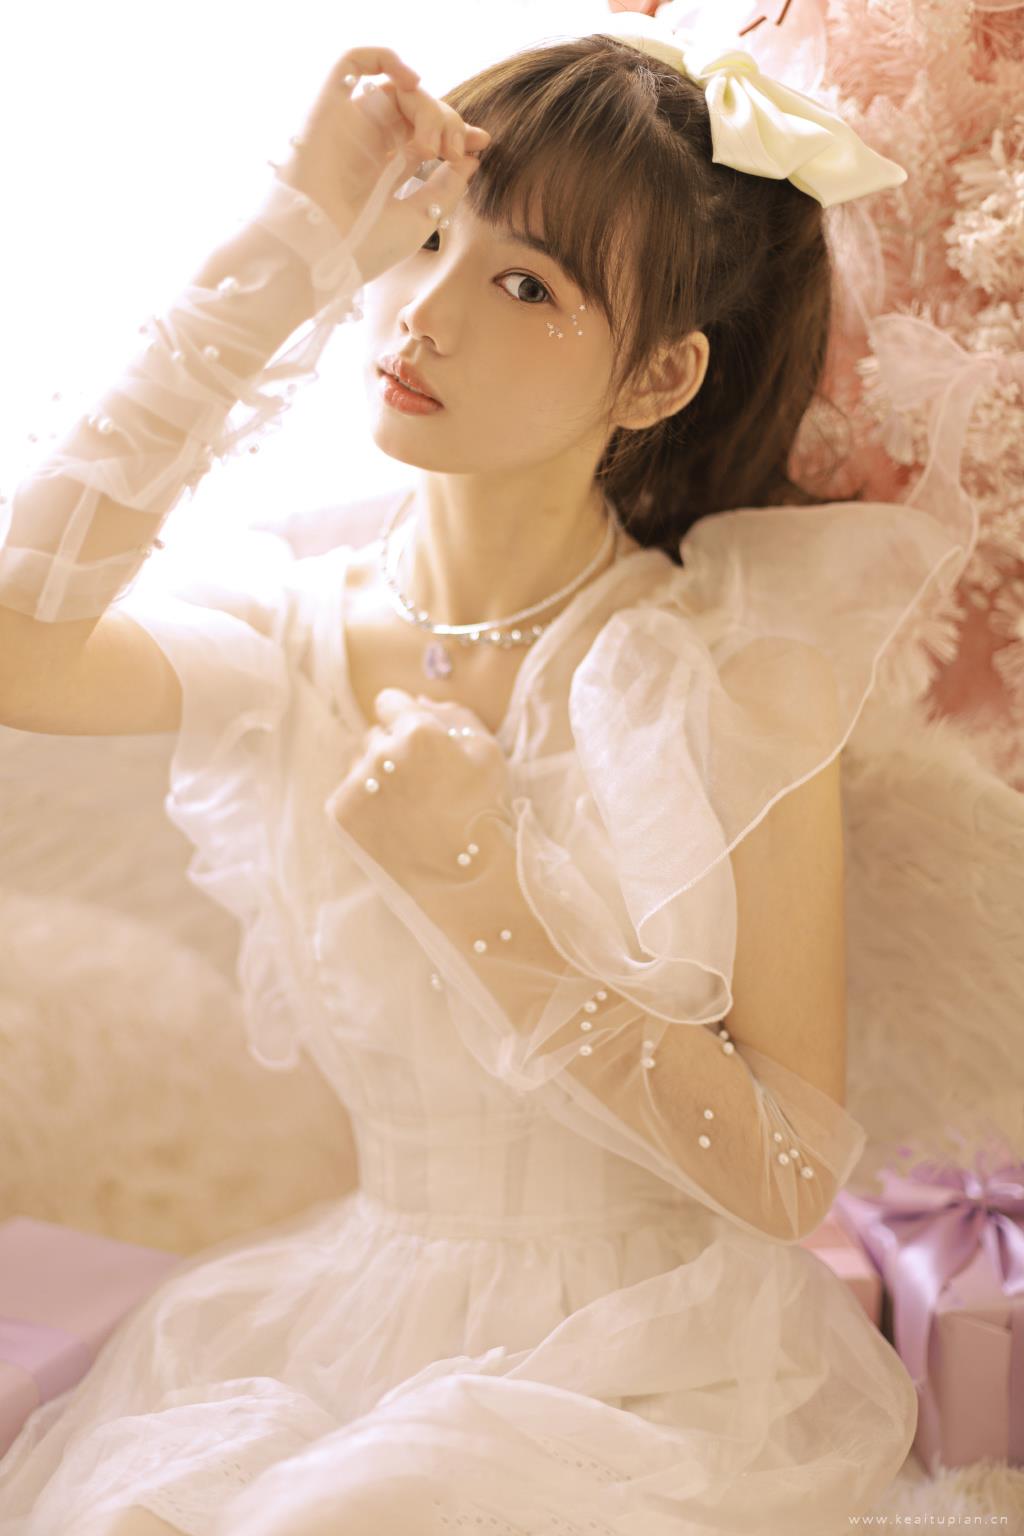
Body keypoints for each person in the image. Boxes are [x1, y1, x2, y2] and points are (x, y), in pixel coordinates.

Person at [0, 16, 982, 1536]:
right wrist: (292, 240)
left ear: (658, 376)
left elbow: (789, 1179)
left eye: (527, 284)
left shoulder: (727, 675)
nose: (426, 310)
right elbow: (18, 646)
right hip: (348, 1321)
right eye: (425, 236)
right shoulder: (292, 630)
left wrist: (484, 887)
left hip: (654, 1367)